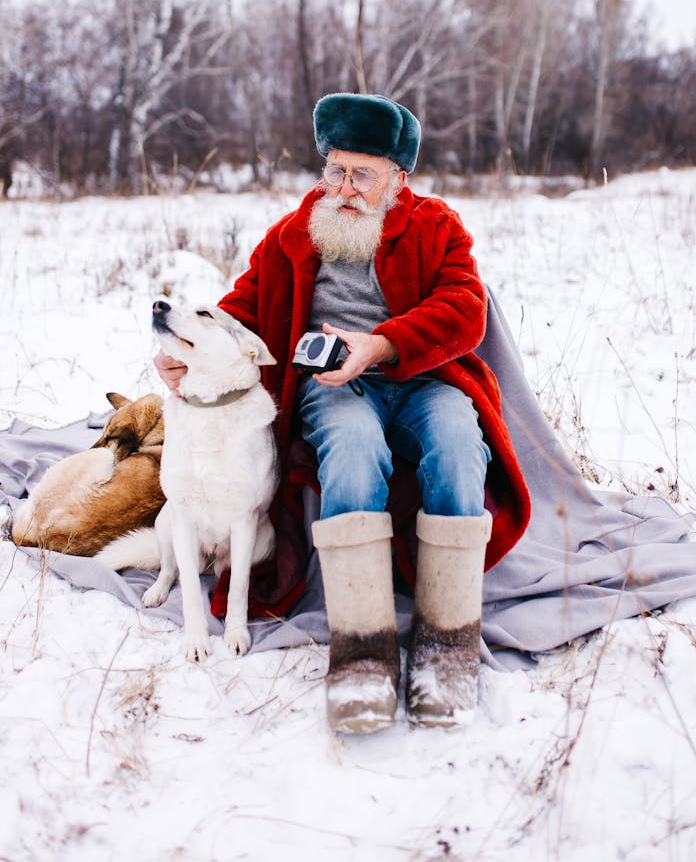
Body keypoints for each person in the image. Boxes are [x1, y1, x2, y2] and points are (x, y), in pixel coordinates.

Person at [155, 93, 530, 733]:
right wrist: (184, 354)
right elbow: (238, 310)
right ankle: (361, 647)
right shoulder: (294, 234)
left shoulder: (437, 226)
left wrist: (382, 344)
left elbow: (466, 306)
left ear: (398, 178)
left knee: (457, 442)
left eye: (364, 173)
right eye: (336, 170)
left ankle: (448, 641)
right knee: (353, 447)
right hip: (334, 384)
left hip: (422, 377)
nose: (346, 188)